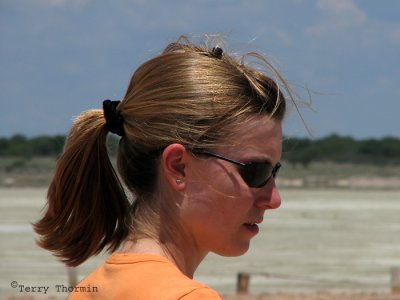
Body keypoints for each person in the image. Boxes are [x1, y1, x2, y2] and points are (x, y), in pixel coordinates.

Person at [34, 36, 292, 299]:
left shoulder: (89, 290)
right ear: (178, 167)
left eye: (274, 172)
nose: (274, 199)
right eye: (256, 172)